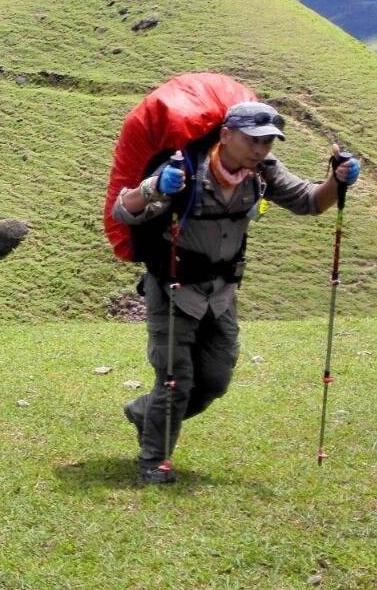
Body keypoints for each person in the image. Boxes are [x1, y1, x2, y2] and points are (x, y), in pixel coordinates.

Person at [113, 101, 360, 484]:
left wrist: (338, 181)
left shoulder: (262, 174)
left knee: (214, 381)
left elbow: (312, 202)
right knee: (176, 380)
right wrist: (153, 189)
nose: (261, 149)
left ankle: (145, 414)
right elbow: (122, 210)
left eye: (268, 142)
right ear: (226, 135)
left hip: (222, 293)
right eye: (253, 140)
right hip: (174, 289)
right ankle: (153, 461)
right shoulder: (184, 169)